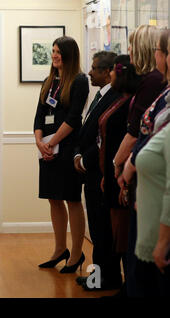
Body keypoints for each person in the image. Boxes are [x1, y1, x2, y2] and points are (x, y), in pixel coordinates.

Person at [113, 25, 165, 297]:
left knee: (140, 253)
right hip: (137, 173)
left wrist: (118, 163)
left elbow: (136, 134)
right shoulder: (149, 81)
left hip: (145, 177)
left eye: (132, 45)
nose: (129, 51)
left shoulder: (152, 83)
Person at [34, 36, 89, 273]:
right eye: (53, 51)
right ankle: (59, 249)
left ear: (70, 55)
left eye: (59, 52)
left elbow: (74, 118)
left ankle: (76, 253)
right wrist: (39, 142)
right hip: (47, 149)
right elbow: (39, 115)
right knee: (53, 198)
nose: (55, 55)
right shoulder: (49, 81)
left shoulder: (79, 80)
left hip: (66, 149)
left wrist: (53, 142)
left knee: (72, 198)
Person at [73, 51, 122, 290]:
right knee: (97, 229)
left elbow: (104, 138)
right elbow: (87, 131)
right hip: (91, 172)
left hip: (100, 173)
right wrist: (78, 155)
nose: (89, 72)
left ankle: (106, 279)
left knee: (103, 232)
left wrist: (84, 160)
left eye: (94, 68)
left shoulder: (115, 97)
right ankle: (98, 276)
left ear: (107, 72)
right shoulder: (101, 95)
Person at [97, 55, 140, 296]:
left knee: (123, 232)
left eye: (113, 71)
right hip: (111, 175)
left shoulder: (130, 103)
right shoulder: (119, 100)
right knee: (117, 232)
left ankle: (128, 285)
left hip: (122, 175)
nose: (109, 74)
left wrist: (115, 167)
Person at [132, 30, 170, 297]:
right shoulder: (162, 91)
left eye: (160, 49)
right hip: (149, 213)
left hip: (161, 230)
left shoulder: (153, 84)